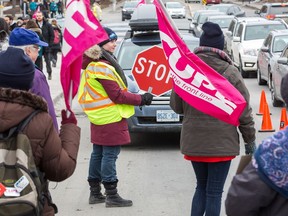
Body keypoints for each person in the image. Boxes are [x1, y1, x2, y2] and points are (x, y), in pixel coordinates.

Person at [169, 22, 256, 216]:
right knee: (214, 192)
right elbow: (243, 110)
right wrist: (249, 140)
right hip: (221, 144)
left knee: (201, 187)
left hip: (194, 141)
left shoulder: (186, 70)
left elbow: (176, 107)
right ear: (221, 46)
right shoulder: (231, 72)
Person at [0, 40, 80, 215]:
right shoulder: (40, 120)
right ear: (28, 82)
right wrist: (69, 128)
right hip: (28, 205)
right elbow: (60, 169)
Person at [78, 27, 153, 207]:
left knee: (98, 154)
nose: (114, 43)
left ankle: (95, 193)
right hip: (110, 116)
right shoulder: (101, 66)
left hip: (99, 116)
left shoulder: (93, 64)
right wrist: (141, 99)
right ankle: (112, 195)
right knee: (110, 155)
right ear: (101, 44)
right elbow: (117, 95)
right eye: (111, 40)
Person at [225, 74, 288, 216]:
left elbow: (238, 205)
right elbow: (244, 111)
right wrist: (249, 137)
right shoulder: (231, 72)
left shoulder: (274, 151)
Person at [9, 27, 59, 131]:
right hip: (31, 134)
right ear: (28, 51)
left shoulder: (4, 69)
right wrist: (55, 135)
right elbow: (47, 109)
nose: (38, 52)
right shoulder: (35, 75)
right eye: (37, 49)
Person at [35, 10, 54, 80]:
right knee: (39, 61)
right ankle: (40, 74)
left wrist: (50, 45)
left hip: (46, 45)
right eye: (37, 16)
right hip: (38, 46)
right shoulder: (35, 24)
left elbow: (52, 35)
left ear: (42, 16)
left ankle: (49, 73)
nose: (38, 17)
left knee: (47, 60)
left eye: (40, 16)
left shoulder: (48, 25)